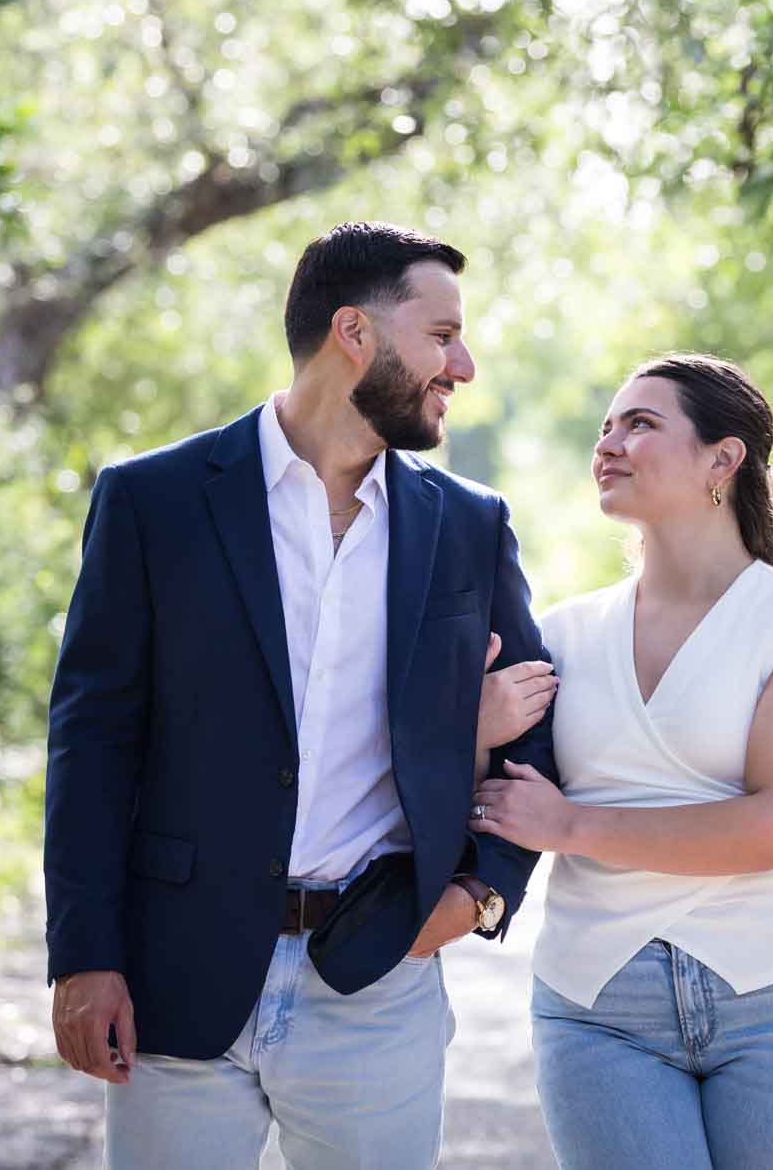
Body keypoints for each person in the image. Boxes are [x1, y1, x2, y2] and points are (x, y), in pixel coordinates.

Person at [43, 221, 560, 1169]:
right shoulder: (153, 501)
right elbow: (93, 740)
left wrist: (481, 893)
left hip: (377, 976)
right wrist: (83, 954)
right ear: (354, 333)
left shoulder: (469, 526)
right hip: (179, 972)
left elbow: (535, 732)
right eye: (442, 335)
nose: (466, 364)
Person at [470, 352, 773, 1170]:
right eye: (606, 426)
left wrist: (575, 824)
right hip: (598, 1007)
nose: (609, 442)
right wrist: (474, 728)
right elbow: (491, 799)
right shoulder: (562, 634)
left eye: (641, 423)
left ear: (723, 460)